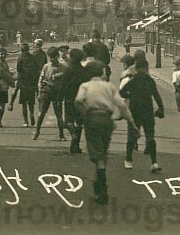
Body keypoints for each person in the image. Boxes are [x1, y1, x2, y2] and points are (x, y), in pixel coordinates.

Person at [75, 59, 135, 205]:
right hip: (106, 120)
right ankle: (100, 180)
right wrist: (131, 122)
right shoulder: (109, 86)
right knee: (103, 149)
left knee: (96, 153)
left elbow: (78, 101)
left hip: (92, 119)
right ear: (102, 73)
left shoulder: (85, 86)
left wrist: (84, 115)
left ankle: (101, 186)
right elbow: (122, 105)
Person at [120, 56, 164, 173]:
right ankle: (150, 162)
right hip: (144, 111)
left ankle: (131, 160)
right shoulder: (146, 80)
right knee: (146, 137)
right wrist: (161, 108)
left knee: (138, 137)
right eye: (143, 68)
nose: (143, 71)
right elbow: (156, 96)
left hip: (136, 111)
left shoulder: (136, 80)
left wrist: (132, 96)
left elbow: (122, 92)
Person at [61, 48, 91, 154]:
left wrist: (61, 97)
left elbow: (63, 84)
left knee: (68, 121)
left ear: (72, 57)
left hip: (69, 99)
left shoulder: (68, 70)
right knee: (79, 122)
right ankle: (76, 146)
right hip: (81, 100)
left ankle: (73, 135)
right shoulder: (84, 71)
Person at [33, 47, 66, 141]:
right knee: (41, 113)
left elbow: (66, 80)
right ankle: (37, 132)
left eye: (54, 57)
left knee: (58, 114)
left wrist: (60, 76)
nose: (52, 59)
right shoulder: (46, 66)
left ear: (57, 56)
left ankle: (61, 134)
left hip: (57, 92)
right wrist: (39, 93)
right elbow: (41, 79)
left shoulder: (63, 67)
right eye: (50, 57)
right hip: (46, 90)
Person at [11, 43, 38, 127]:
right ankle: (32, 115)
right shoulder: (32, 57)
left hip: (23, 81)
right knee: (31, 103)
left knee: (24, 104)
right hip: (31, 82)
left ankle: (26, 121)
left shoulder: (20, 58)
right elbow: (36, 68)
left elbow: (19, 69)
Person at [0, 48, 15, 127]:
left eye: (4, 54)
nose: (2, 56)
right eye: (1, 54)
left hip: (4, 86)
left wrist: (11, 74)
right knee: (0, 105)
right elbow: (3, 74)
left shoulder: (4, 62)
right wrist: (12, 81)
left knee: (2, 105)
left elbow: (6, 73)